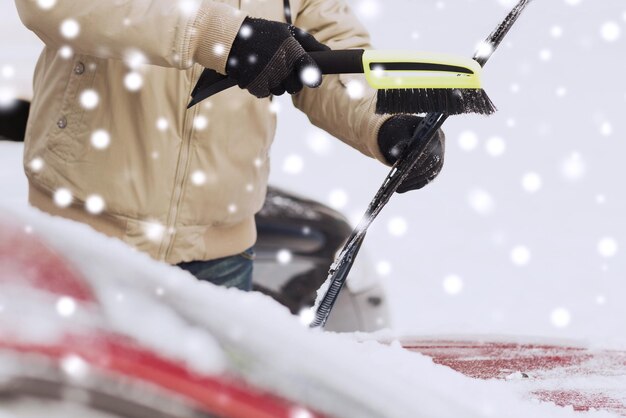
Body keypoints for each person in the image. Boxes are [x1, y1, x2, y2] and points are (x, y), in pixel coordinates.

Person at [15, 0, 445, 291]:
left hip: (219, 253)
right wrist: (220, 37)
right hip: (83, 235)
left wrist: (386, 119)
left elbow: (327, 40)